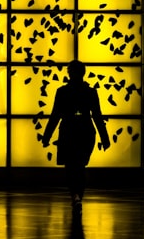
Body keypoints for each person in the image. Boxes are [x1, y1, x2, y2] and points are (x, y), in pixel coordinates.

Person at [41, 60, 110, 208]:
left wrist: (47, 136)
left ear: (69, 73)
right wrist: (105, 138)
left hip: (68, 131)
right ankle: (78, 196)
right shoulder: (90, 92)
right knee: (80, 166)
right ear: (83, 73)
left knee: (71, 167)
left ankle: (75, 195)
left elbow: (55, 115)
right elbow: (97, 116)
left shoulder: (62, 92)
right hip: (85, 131)